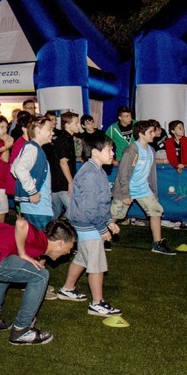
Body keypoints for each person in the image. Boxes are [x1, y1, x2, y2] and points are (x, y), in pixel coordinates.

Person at [0, 218, 76, 345]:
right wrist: (22, 253)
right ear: (60, 243)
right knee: (41, 275)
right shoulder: (40, 240)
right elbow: (21, 223)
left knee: (8, 268)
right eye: (69, 248)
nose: (69, 252)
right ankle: (21, 330)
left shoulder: (32, 240)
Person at [58, 134, 122, 316]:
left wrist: (109, 221)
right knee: (96, 264)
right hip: (88, 225)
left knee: (83, 259)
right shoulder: (90, 174)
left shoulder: (97, 170)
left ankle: (67, 289)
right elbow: (90, 209)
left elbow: (101, 203)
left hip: (88, 224)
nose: (112, 153)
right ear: (95, 152)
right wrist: (103, 229)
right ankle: (97, 303)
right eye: (109, 149)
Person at [111, 120, 175, 255]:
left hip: (143, 189)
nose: (154, 134)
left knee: (156, 211)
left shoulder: (151, 150)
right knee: (115, 215)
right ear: (141, 134)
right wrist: (125, 194)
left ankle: (157, 243)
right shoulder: (131, 150)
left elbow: (151, 174)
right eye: (150, 132)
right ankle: (98, 239)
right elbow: (123, 174)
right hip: (126, 189)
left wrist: (154, 192)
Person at [11, 115, 55, 231]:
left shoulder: (31, 147)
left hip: (36, 207)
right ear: (37, 130)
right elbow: (19, 169)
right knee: (41, 244)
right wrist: (32, 191)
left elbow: (15, 167)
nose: (52, 132)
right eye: (49, 129)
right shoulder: (32, 148)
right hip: (38, 208)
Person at [50, 112, 80, 219]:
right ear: (67, 124)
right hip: (63, 183)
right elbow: (63, 162)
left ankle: (46, 233)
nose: (79, 126)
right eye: (76, 123)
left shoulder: (65, 138)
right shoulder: (64, 139)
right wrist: (70, 182)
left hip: (57, 183)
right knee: (75, 212)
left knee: (55, 212)